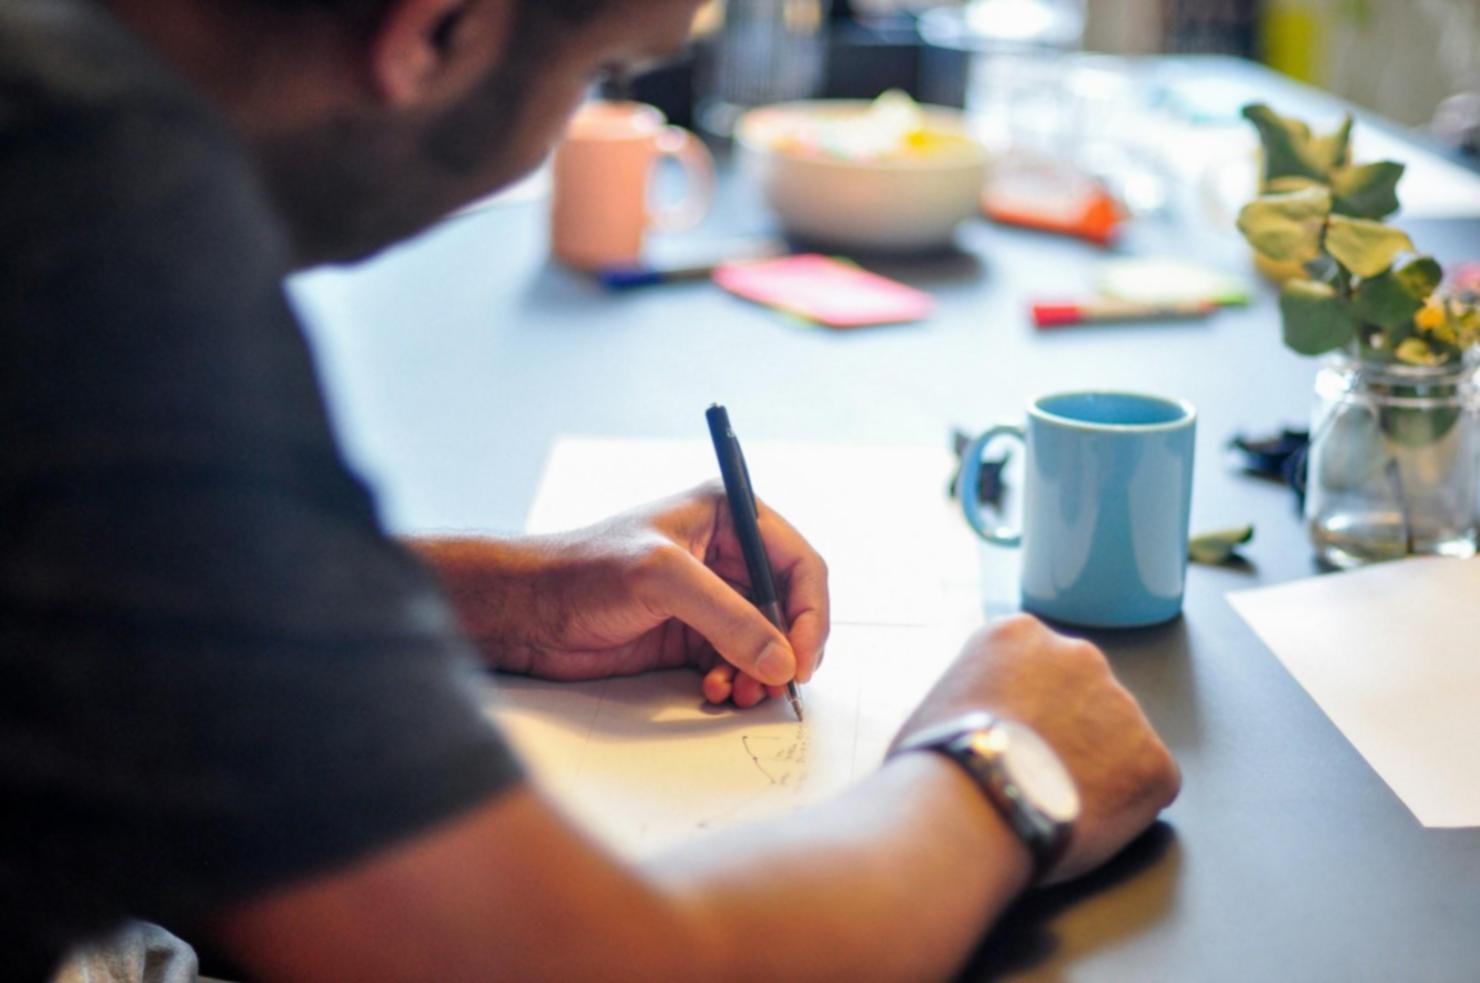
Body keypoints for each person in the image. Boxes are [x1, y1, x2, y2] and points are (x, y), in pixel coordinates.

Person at [0, 0, 1180, 979]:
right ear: (439, 29)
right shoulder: (82, 200)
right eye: (600, 70)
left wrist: (503, 595)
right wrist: (993, 770)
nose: (578, 114)